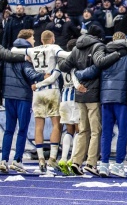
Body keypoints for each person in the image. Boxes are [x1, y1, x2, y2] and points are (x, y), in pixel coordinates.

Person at [76, 32, 127, 178]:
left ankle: (104, 165)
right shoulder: (126, 56)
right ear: (125, 41)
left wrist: (78, 73)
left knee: (106, 133)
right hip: (122, 99)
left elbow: (91, 71)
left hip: (105, 98)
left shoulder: (103, 55)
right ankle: (119, 165)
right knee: (122, 133)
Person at [58, 25, 124, 176]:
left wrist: (76, 71)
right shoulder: (98, 46)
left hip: (80, 94)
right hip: (93, 93)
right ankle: (91, 163)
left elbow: (63, 65)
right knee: (95, 131)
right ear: (99, 37)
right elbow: (100, 63)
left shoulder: (76, 48)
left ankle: (76, 161)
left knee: (83, 130)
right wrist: (116, 55)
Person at [11, 30, 70, 173]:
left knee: (39, 125)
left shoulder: (32, 50)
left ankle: (41, 159)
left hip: (37, 92)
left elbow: (13, 50)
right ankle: (52, 158)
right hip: (51, 89)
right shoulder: (54, 47)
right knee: (56, 124)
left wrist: (26, 57)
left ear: (41, 40)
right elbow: (67, 55)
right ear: (53, 39)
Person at [0, 31, 44, 173]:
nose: (34, 40)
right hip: (23, 97)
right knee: (23, 129)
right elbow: (31, 74)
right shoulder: (25, 57)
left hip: (8, 95)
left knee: (9, 130)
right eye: (32, 38)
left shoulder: (9, 55)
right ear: (26, 39)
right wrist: (44, 75)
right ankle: (17, 160)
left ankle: (3, 160)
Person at [56, 39, 82, 175]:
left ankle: (63, 158)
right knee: (78, 130)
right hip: (75, 96)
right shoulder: (76, 59)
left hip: (64, 96)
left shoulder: (61, 61)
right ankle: (73, 159)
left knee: (68, 130)